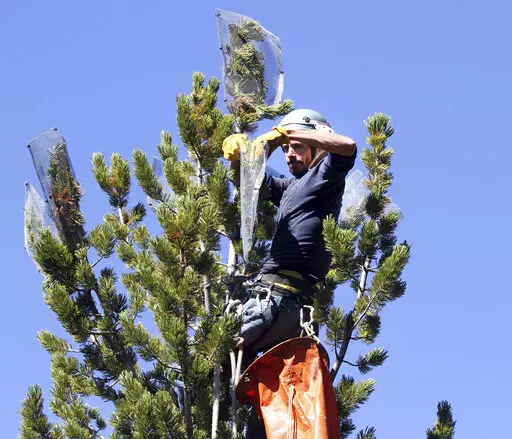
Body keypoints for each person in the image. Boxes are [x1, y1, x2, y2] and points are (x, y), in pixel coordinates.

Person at [223, 109, 357, 358]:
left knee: (212, 356)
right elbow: (251, 182)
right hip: (283, 307)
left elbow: (347, 146)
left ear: (317, 146)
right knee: (235, 379)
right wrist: (238, 159)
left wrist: (288, 134)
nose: (289, 155)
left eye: (296, 147)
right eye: (285, 150)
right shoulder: (291, 187)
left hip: (277, 300)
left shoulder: (326, 174)